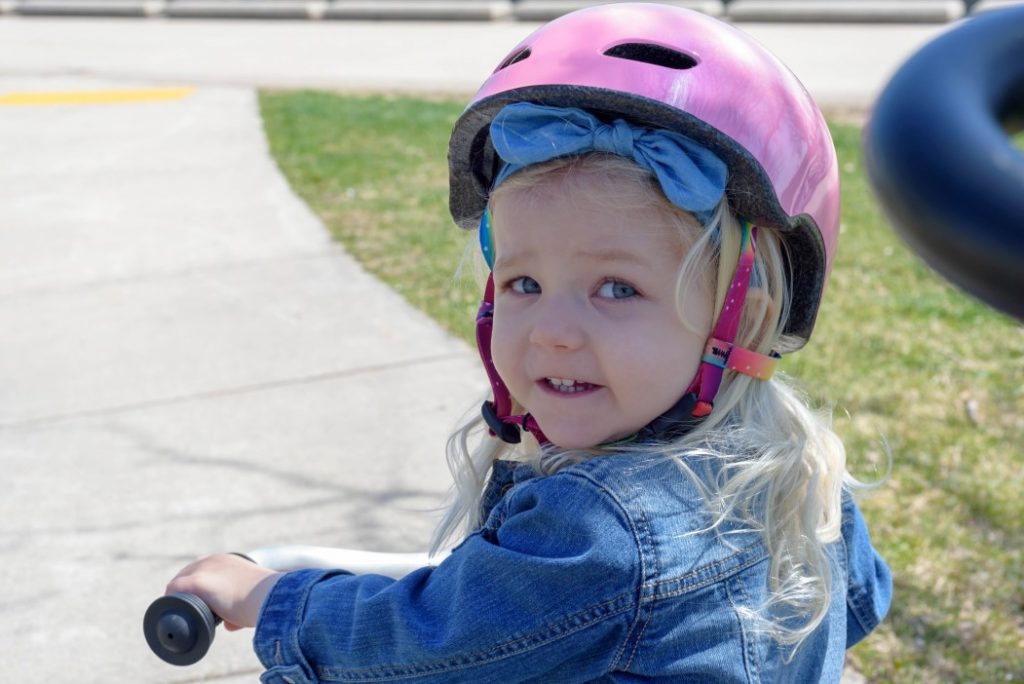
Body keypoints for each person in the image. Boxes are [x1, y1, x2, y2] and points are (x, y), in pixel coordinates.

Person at [165, 5, 892, 682]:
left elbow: (419, 645)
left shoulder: (597, 529)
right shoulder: (800, 472)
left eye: (616, 288)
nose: (552, 331)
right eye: (523, 284)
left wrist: (272, 600)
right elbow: (860, 601)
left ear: (745, 320)